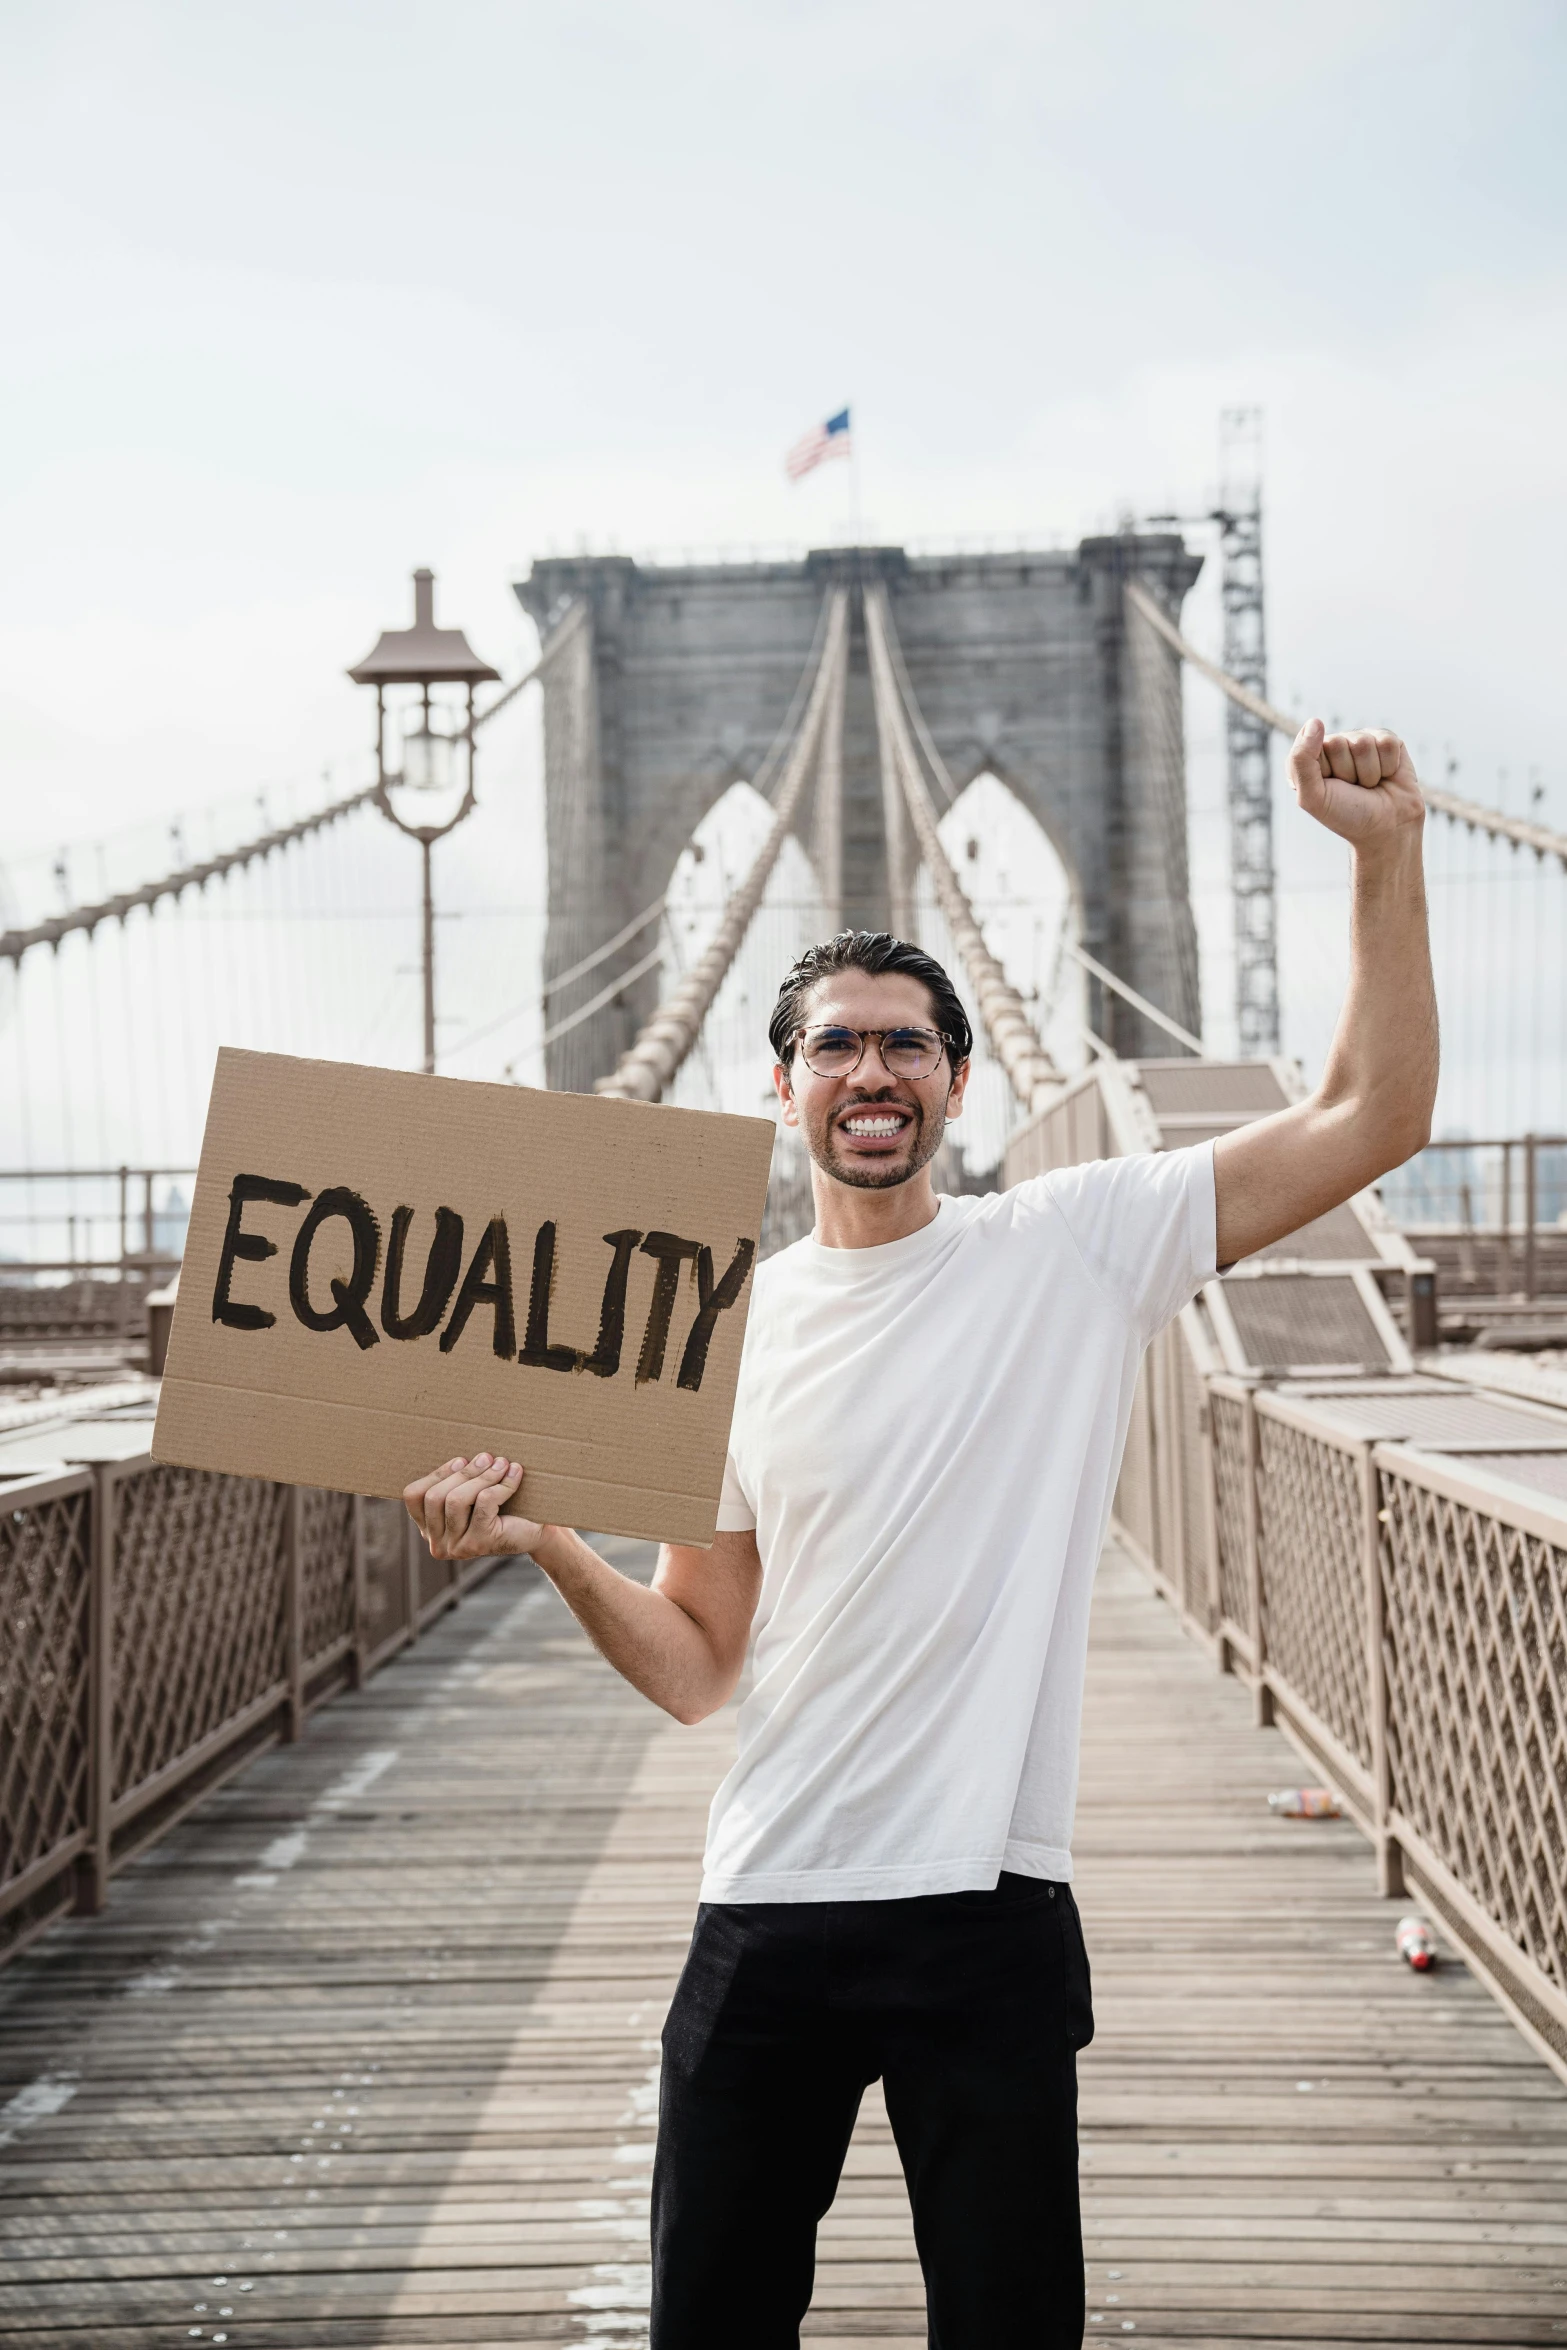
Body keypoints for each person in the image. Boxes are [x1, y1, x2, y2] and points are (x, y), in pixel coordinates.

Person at [404, 720, 1437, 2348]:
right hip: (766, 1903)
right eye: (833, 1046)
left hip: (986, 1910)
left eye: (902, 1045)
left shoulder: (1071, 1248)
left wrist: (1383, 856)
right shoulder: (714, 1331)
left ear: (958, 1078)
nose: (868, 1073)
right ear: (783, 1082)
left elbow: (1371, 1113)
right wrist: (548, 1538)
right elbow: (696, 1668)